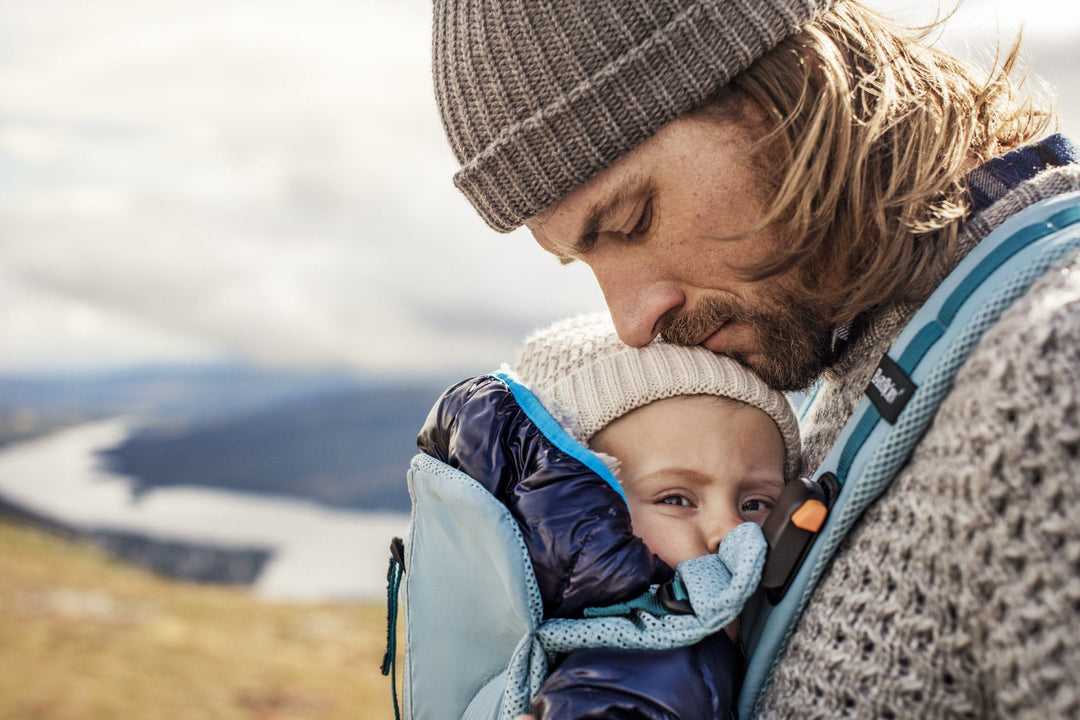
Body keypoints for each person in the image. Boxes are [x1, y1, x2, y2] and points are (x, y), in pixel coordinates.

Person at [430, 0, 1080, 717]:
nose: (633, 322)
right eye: (582, 263)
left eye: (631, 220)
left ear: (794, 87)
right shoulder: (862, 356)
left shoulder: (1054, 371)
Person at [417, 312, 800, 719]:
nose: (729, 530)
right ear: (575, 511)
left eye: (755, 504)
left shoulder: (660, 663)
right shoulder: (647, 662)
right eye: (675, 499)